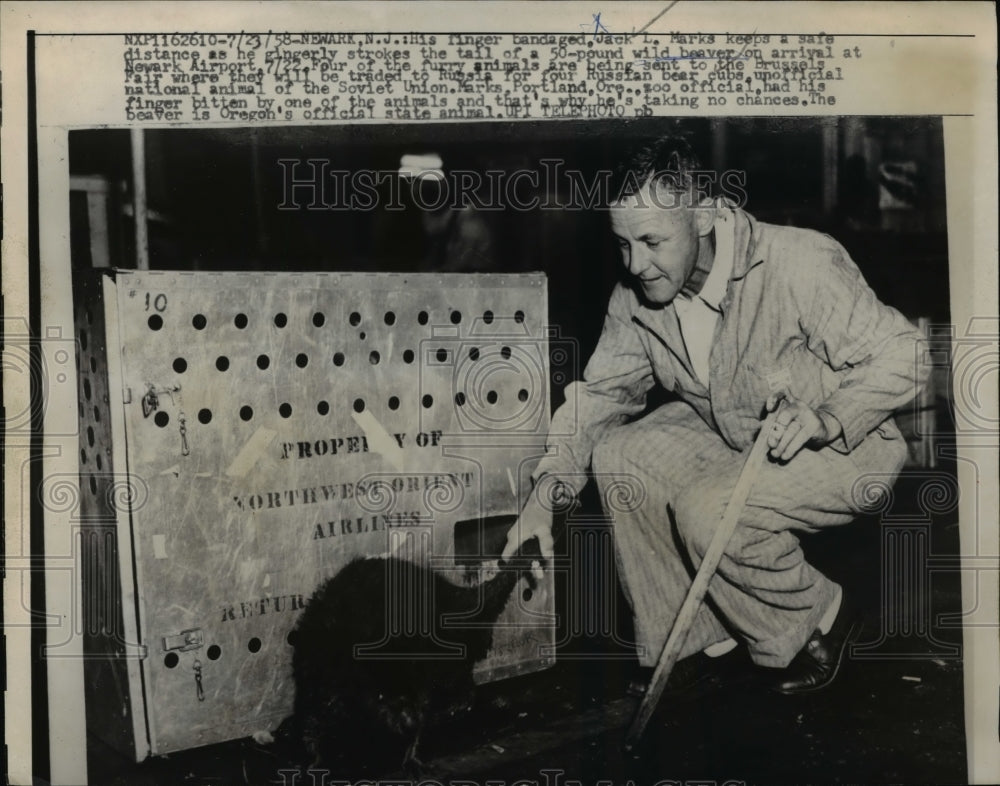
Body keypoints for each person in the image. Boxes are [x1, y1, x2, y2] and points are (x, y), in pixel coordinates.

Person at [502, 136, 928, 693]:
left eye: (653, 240)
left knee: (705, 512)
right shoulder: (635, 295)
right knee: (619, 455)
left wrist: (827, 416)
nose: (637, 264)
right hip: (736, 433)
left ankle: (820, 620)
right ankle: (700, 643)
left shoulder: (798, 261)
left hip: (845, 446)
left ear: (703, 212)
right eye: (623, 243)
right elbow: (600, 399)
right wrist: (543, 499)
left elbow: (906, 352)